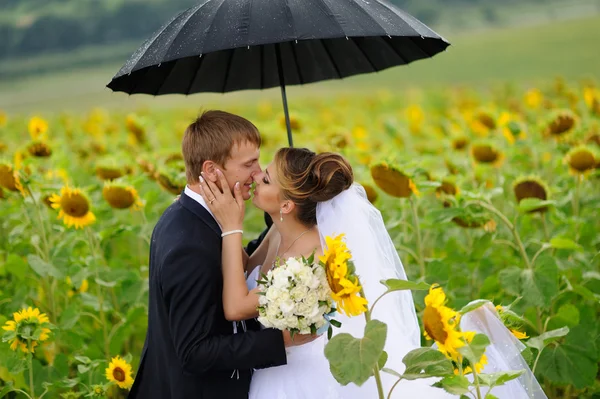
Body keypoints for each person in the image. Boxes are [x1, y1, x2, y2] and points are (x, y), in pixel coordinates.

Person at [199, 146, 548, 399]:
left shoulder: (313, 262)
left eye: (267, 177)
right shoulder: (279, 229)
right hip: (278, 363)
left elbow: (236, 305)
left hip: (304, 374)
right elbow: (242, 269)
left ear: (287, 204)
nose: (256, 177)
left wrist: (231, 227)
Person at [129, 111, 316, 399]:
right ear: (212, 170)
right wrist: (280, 341)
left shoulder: (200, 217)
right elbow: (194, 352)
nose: (257, 173)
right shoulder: (188, 245)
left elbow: (247, 266)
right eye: (249, 163)